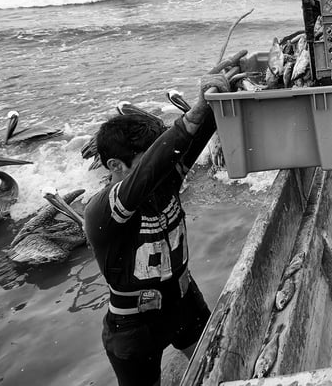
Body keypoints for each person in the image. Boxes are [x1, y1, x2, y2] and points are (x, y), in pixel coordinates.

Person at [84, 70, 230, 386]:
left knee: (219, 364)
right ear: (114, 166)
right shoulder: (102, 210)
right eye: (147, 159)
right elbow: (156, 162)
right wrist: (194, 112)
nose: (161, 166)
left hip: (184, 301)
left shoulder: (166, 181)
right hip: (134, 329)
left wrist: (218, 93)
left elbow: (184, 144)